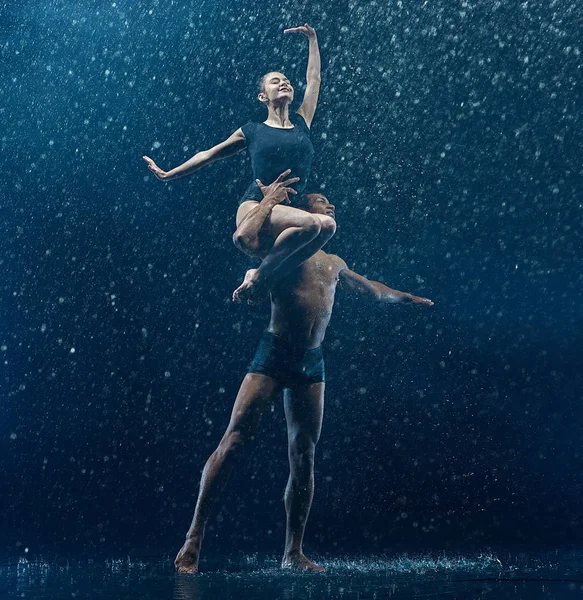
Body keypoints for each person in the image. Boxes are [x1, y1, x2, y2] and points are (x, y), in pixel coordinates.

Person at [173, 174, 434, 574]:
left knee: (304, 455)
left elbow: (370, 288)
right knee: (236, 440)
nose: (331, 207)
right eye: (323, 201)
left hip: (312, 362)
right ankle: (193, 538)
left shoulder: (334, 262)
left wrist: (406, 297)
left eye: (331, 204)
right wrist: (247, 283)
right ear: (304, 211)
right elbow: (255, 269)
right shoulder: (286, 247)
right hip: (275, 353)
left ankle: (292, 552)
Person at [143, 24, 336, 303]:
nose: (284, 82)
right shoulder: (252, 130)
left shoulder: (302, 122)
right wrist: (168, 174)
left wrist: (313, 40)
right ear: (262, 97)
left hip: (286, 207)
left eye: (287, 80)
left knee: (327, 226)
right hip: (256, 203)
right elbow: (208, 154)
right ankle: (261, 276)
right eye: (275, 81)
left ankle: (260, 276)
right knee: (312, 224)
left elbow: (314, 79)